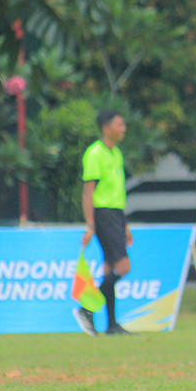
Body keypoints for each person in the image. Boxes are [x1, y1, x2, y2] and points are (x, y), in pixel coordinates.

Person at [73, 110, 134, 336]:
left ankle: (111, 324)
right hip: (103, 215)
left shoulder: (116, 153)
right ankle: (87, 308)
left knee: (109, 268)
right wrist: (91, 225)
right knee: (123, 267)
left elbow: (116, 193)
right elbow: (88, 192)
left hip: (116, 215)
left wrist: (124, 223)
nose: (123, 128)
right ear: (106, 128)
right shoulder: (94, 153)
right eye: (119, 124)